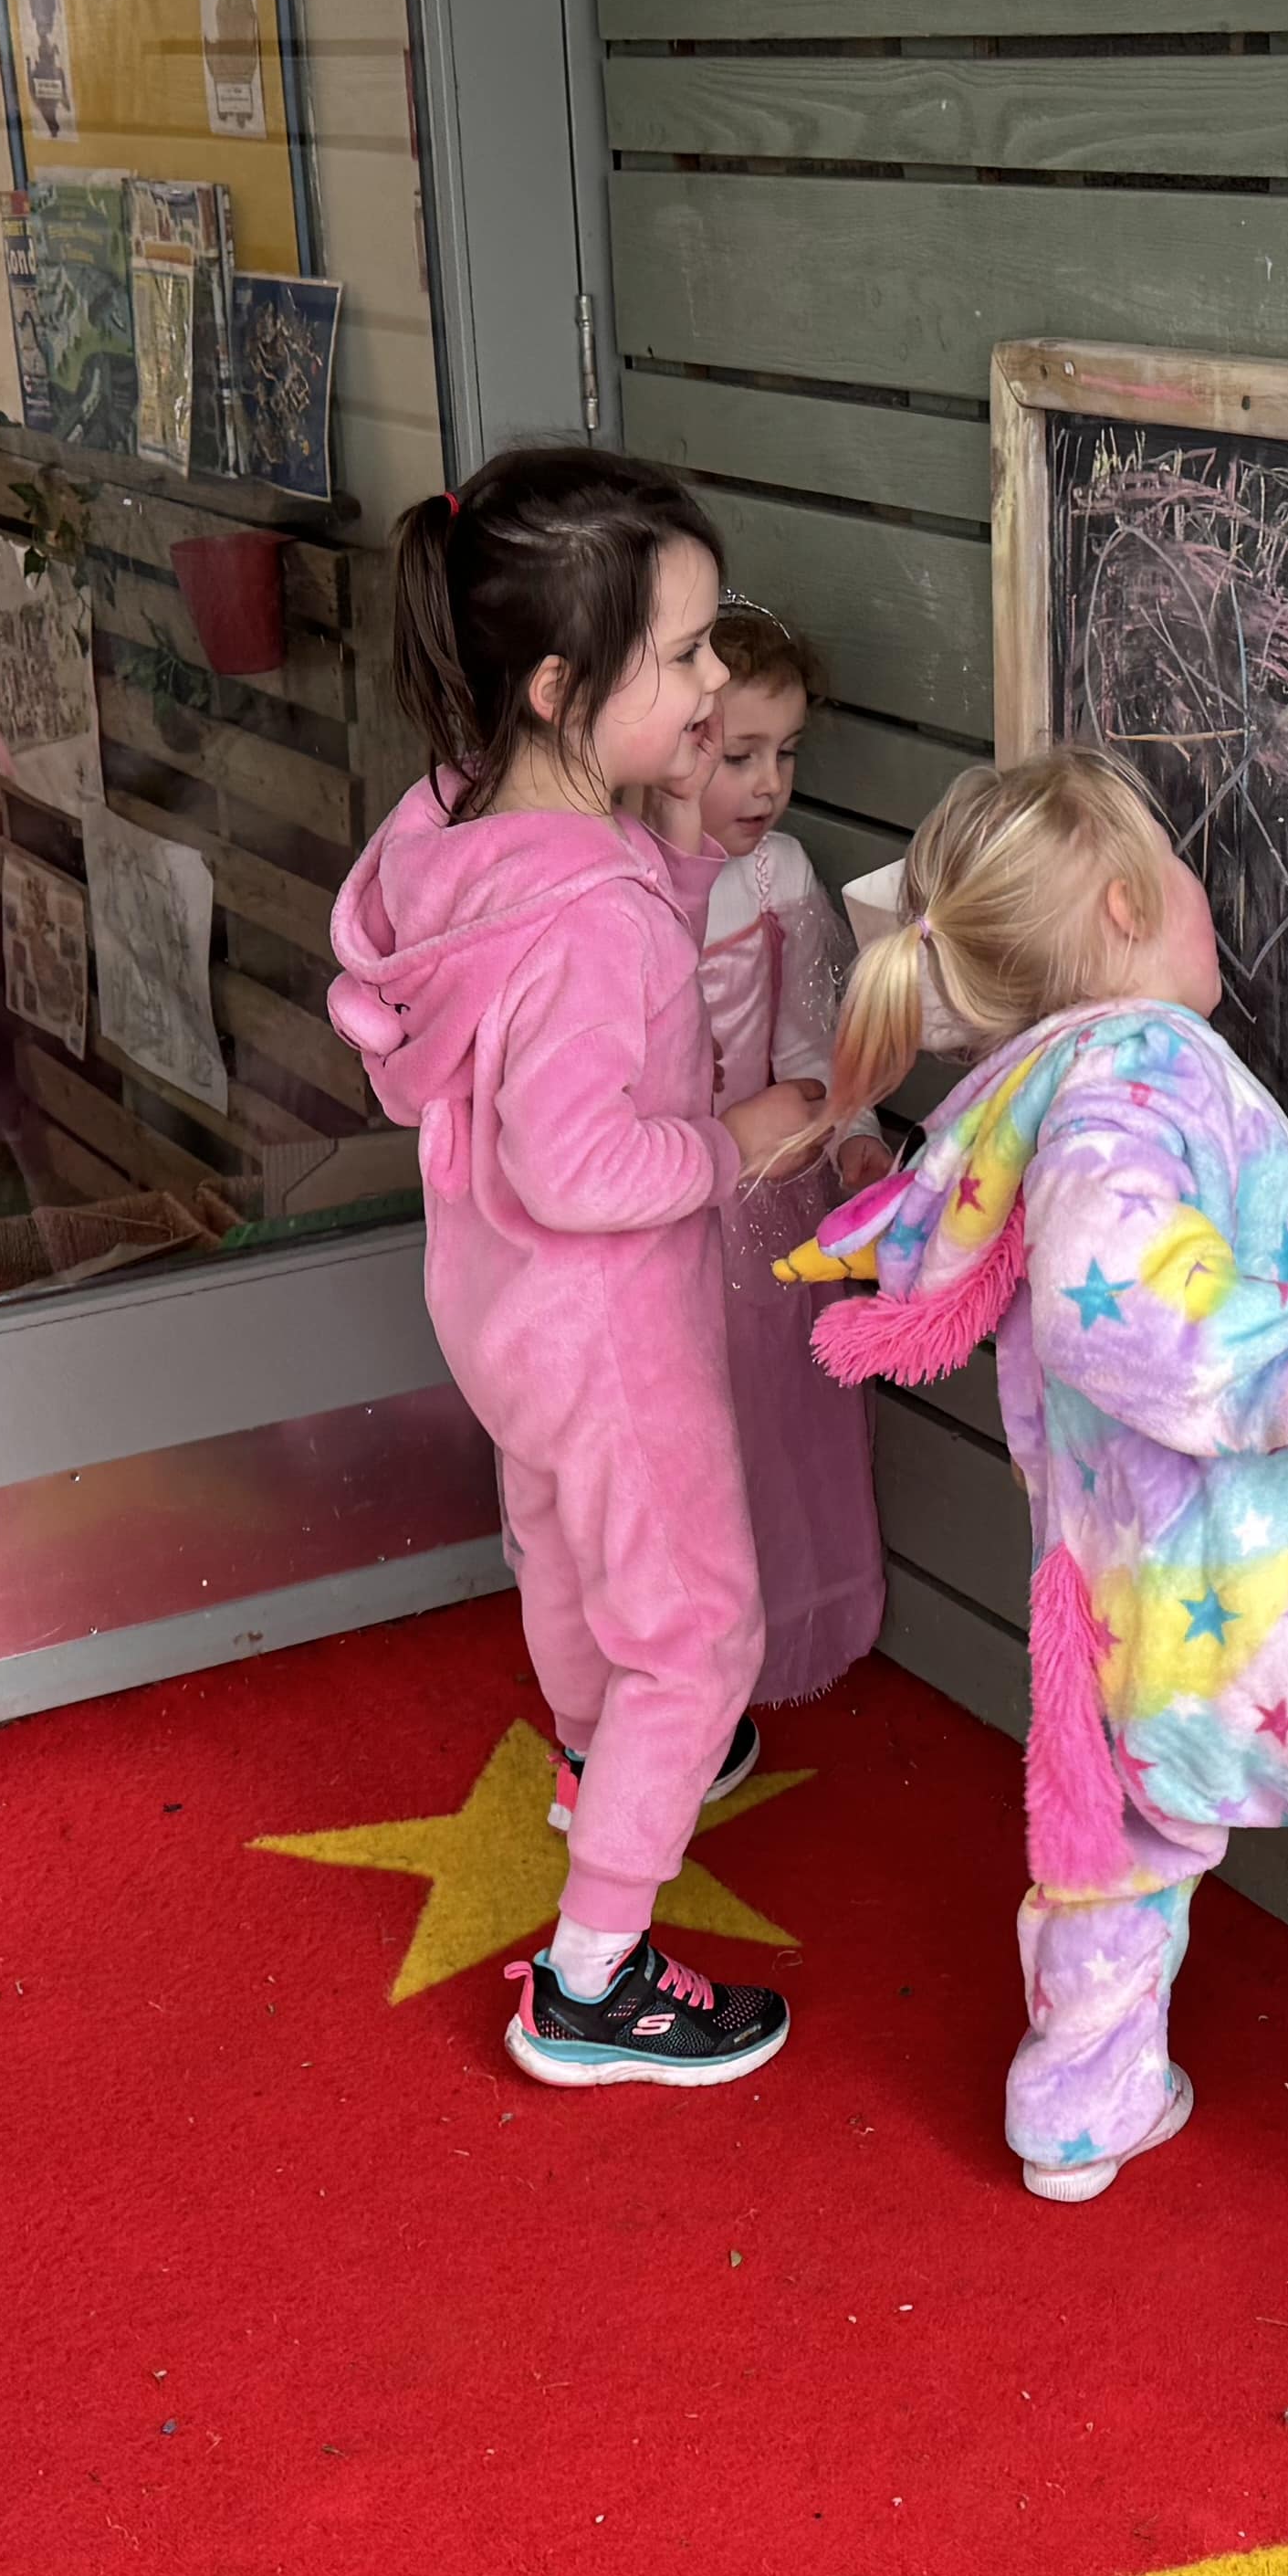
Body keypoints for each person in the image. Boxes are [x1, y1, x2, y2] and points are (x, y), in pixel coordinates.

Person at [779, 749, 1288, 2210]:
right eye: (1181, 864)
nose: (1205, 887)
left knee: (1117, 1850)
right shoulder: (1137, 1068)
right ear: (1122, 902)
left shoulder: (1021, 1096)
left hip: (1119, 1612)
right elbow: (1114, 1280)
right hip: (1282, 1582)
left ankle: (1083, 2112)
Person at [329, 447, 814, 2089]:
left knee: (562, 1542)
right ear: (559, 680)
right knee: (696, 1620)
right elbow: (588, 1160)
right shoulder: (595, 912)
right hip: (608, 1323)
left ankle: (601, 1751)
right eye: (681, 658)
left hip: (494, 1309)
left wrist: (659, 843)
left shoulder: (450, 818)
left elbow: (541, 1011)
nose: (708, 687)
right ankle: (597, 1974)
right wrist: (742, 1134)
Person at [634, 599, 886, 1709]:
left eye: (783, 755)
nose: (768, 784)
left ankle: (780, 1634)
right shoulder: (625, 883)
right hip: (659, 1198)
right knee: (677, 1435)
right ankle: (674, 1667)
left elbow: (813, 1036)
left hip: (770, 1197)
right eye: (739, 755)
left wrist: (856, 1138)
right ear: (673, 745)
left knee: (777, 1426)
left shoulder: (782, 876)